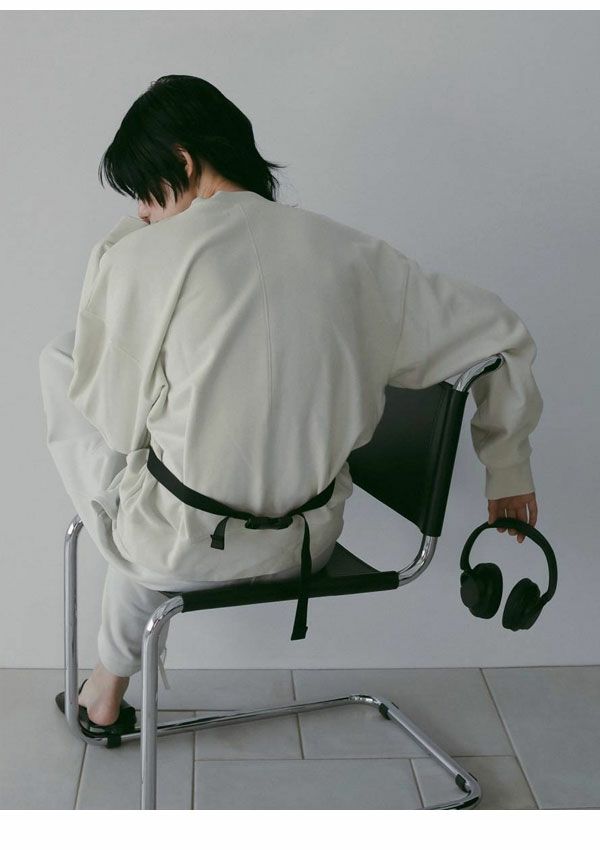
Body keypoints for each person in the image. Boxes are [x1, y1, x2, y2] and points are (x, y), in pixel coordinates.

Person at [39, 75, 542, 729]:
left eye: (143, 191)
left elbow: (116, 424)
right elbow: (501, 334)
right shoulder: (359, 256)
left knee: (69, 372)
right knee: (162, 473)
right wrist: (508, 469)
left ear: (183, 162)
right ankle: (104, 689)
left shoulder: (141, 258)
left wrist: (116, 260)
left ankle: (105, 691)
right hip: (307, 541)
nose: (141, 212)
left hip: (178, 551)